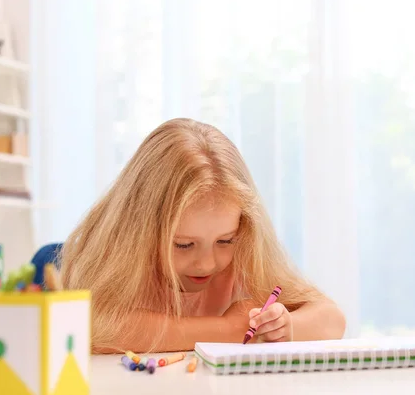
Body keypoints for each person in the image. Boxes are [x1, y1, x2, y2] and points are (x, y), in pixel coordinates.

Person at [60, 118, 346, 353]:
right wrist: (229, 329)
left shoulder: (246, 253)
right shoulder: (118, 255)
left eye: (225, 240)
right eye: (184, 244)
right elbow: (92, 326)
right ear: (142, 229)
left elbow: (332, 319)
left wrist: (288, 328)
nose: (207, 263)